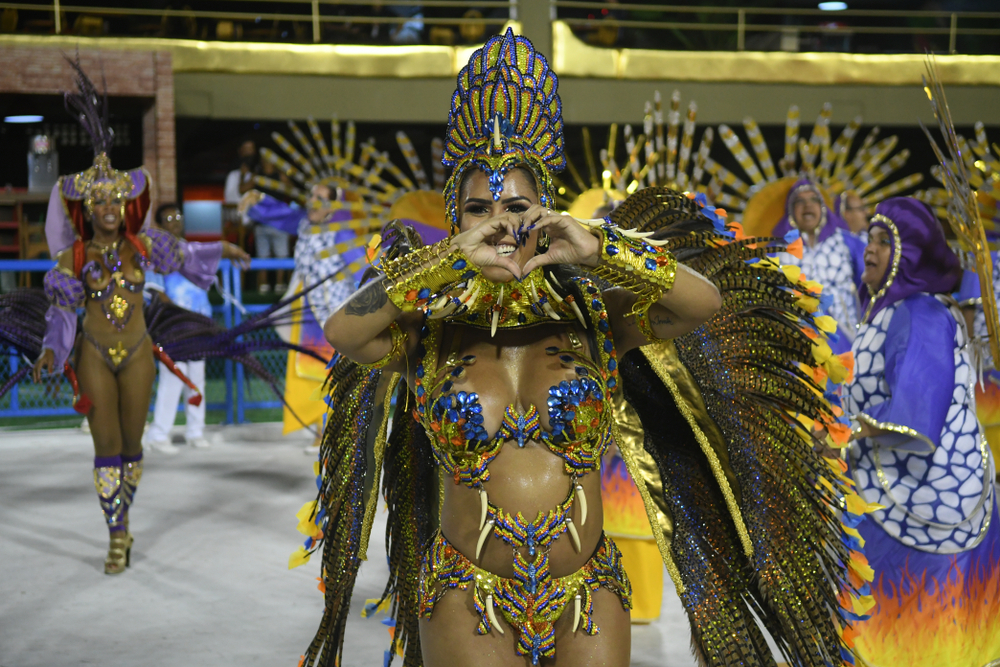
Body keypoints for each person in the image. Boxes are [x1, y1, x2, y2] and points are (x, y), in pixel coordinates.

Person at [295, 30, 873, 667]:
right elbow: (343, 334)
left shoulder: (595, 313)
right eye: (477, 209)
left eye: (516, 204)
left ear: (544, 209)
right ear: (456, 219)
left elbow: (704, 304)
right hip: (468, 593)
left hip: (587, 595)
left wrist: (603, 248)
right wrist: (447, 260)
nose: (499, 223)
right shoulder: (426, 326)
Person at [31, 61, 250, 575]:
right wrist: (49, 349)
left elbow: (189, 256)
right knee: (105, 446)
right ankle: (117, 533)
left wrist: (226, 249)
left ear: (126, 206)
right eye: (99, 201)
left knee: (132, 445)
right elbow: (62, 315)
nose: (108, 206)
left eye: (116, 200)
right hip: (92, 357)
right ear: (85, 209)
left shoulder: (144, 246)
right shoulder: (72, 261)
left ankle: (121, 513)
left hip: (137, 356)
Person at [846, 197, 1000, 666]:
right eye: (869, 237)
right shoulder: (891, 309)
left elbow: (918, 409)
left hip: (920, 500)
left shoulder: (921, 314)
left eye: (883, 241)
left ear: (908, 255)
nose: (869, 249)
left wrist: (849, 431)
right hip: (896, 488)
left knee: (915, 635)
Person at [145, 204, 212, 453]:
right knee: (173, 377)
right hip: (173, 324)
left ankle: (195, 431)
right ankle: (158, 434)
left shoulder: (191, 250)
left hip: (197, 322)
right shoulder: (155, 253)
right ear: (160, 225)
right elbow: (155, 290)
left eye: (178, 217)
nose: (175, 222)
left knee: (197, 378)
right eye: (168, 219)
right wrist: (177, 314)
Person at [774, 179, 866, 351]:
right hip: (793, 344)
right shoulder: (776, 249)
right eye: (800, 201)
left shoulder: (846, 242)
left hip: (844, 340)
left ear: (823, 207)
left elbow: (871, 284)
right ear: (791, 210)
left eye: (813, 200)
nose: (807, 205)